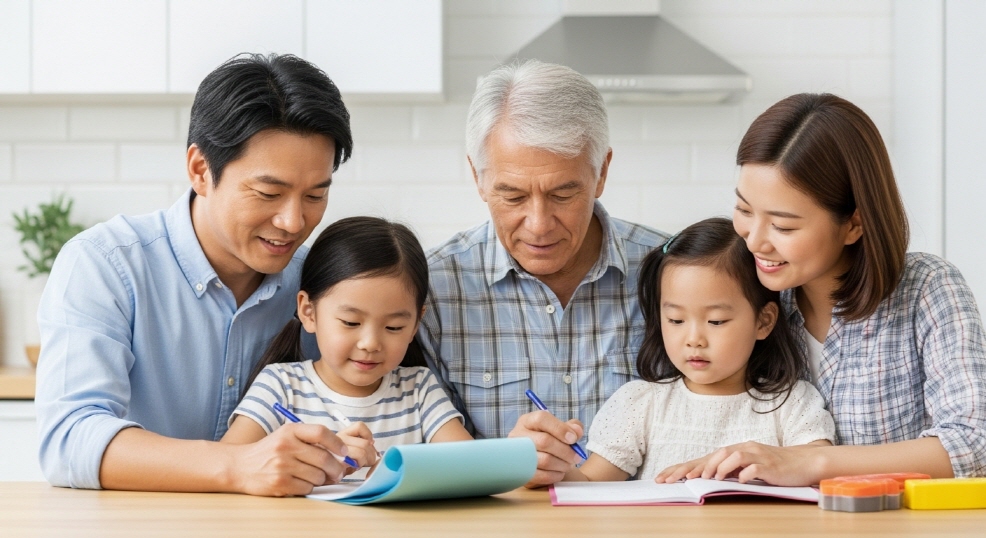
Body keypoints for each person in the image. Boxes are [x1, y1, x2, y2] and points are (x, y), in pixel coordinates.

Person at [36, 53, 356, 496]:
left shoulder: (320, 286)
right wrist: (237, 465)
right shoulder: (105, 264)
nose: (293, 221)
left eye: (316, 195)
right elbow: (69, 439)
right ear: (200, 170)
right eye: (269, 193)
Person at [679, 93, 986, 485]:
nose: (755, 241)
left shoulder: (927, 288)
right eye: (744, 210)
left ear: (854, 223)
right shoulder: (744, 296)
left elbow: (973, 443)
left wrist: (812, 462)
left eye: (783, 226)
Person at [417, 59, 667, 487]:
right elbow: (413, 452)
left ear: (602, 171)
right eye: (512, 195)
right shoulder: (433, 289)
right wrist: (498, 461)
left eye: (563, 193)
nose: (539, 224)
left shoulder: (673, 272)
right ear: (478, 177)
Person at [561, 218, 834, 482]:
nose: (694, 340)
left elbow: (819, 464)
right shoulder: (641, 404)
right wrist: (547, 467)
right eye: (676, 320)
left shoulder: (792, 403)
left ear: (763, 321)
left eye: (716, 321)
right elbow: (590, 482)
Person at [222, 217, 472, 476]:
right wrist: (318, 460)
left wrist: (399, 471)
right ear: (309, 312)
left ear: (415, 324)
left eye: (394, 327)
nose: (371, 343)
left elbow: (472, 467)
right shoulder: (280, 387)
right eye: (351, 322)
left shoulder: (419, 390)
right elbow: (228, 463)